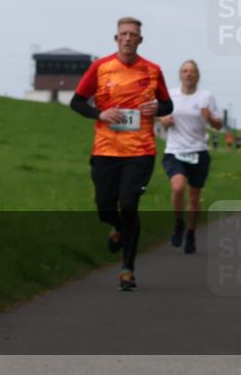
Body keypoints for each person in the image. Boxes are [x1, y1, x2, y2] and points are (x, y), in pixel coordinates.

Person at [70, 17, 173, 291]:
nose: (128, 38)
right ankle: (115, 226)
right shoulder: (100, 67)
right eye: (123, 34)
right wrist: (99, 113)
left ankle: (128, 269)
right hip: (106, 148)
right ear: (116, 39)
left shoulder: (153, 70)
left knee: (129, 204)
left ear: (140, 40)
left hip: (140, 151)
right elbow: (76, 102)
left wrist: (157, 109)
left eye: (133, 35)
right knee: (105, 206)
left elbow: (167, 104)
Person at [158, 60, 222, 254]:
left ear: (198, 76)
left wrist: (209, 117)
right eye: (185, 71)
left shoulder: (206, 97)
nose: (188, 75)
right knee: (177, 187)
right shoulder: (171, 95)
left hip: (198, 152)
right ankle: (179, 223)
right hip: (175, 151)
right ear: (180, 75)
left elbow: (218, 124)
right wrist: (164, 119)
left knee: (194, 199)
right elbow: (159, 114)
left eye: (192, 72)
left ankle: (191, 233)